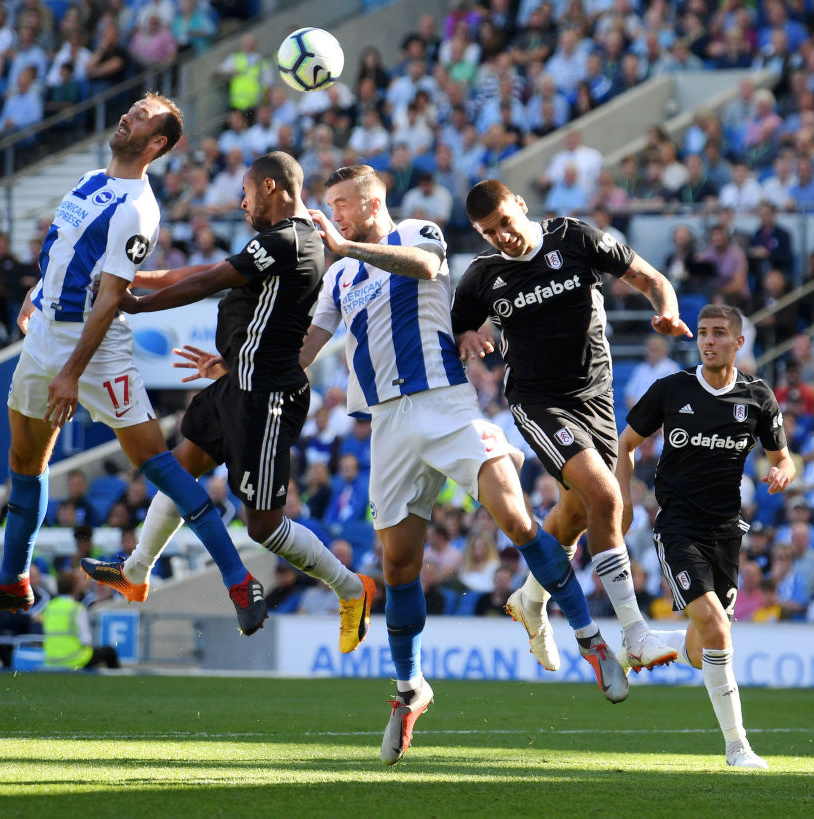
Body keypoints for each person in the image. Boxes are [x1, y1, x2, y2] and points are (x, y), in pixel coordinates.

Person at [298, 165, 624, 765]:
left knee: (515, 516)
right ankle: (409, 688)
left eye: (342, 203)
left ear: (372, 202)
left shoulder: (417, 232)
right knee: (398, 567)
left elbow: (425, 270)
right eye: (331, 206)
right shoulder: (339, 274)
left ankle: (590, 637)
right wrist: (247, 372)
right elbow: (312, 343)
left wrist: (347, 245)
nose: (334, 214)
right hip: (388, 424)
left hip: (446, 405)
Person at [0, 96, 266, 634]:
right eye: (133, 109)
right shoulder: (92, 178)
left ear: (157, 143)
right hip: (44, 331)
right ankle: (13, 580)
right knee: (26, 458)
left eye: (142, 116)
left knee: (156, 462)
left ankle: (237, 579)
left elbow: (112, 296)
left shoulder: (139, 208)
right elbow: (66, 250)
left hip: (93, 349)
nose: (128, 116)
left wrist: (71, 371)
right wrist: (36, 292)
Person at [80, 152, 375, 655]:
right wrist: (144, 280)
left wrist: (137, 304)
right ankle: (135, 571)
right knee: (178, 467)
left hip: (268, 396)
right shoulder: (278, 240)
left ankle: (351, 588)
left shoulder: (292, 240)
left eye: (245, 192)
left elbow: (210, 280)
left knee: (262, 525)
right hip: (237, 381)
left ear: (269, 187)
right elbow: (215, 270)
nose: (240, 203)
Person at [452, 179, 689, 677]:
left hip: (596, 399)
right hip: (539, 401)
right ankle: (635, 633)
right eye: (488, 231)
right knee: (606, 498)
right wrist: (467, 331)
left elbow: (650, 279)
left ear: (520, 204)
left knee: (579, 514)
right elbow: (458, 326)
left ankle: (531, 595)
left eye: (505, 223)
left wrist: (666, 310)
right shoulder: (481, 276)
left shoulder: (575, 238)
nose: (502, 236)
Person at [616, 304, 792, 770]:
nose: (708, 340)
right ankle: (738, 747)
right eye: (702, 333)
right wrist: (626, 499)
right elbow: (626, 444)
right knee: (715, 627)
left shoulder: (757, 397)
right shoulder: (672, 389)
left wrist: (782, 470)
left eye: (718, 334)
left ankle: (648, 643)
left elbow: (782, 456)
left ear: (738, 343)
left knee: (703, 649)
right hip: (678, 527)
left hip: (726, 532)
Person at [42, 570, 121, 670]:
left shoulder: (49, 607)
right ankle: (118, 684)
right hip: (73, 658)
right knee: (110, 651)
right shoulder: (77, 608)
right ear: (75, 588)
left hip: (51, 659)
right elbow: (86, 640)